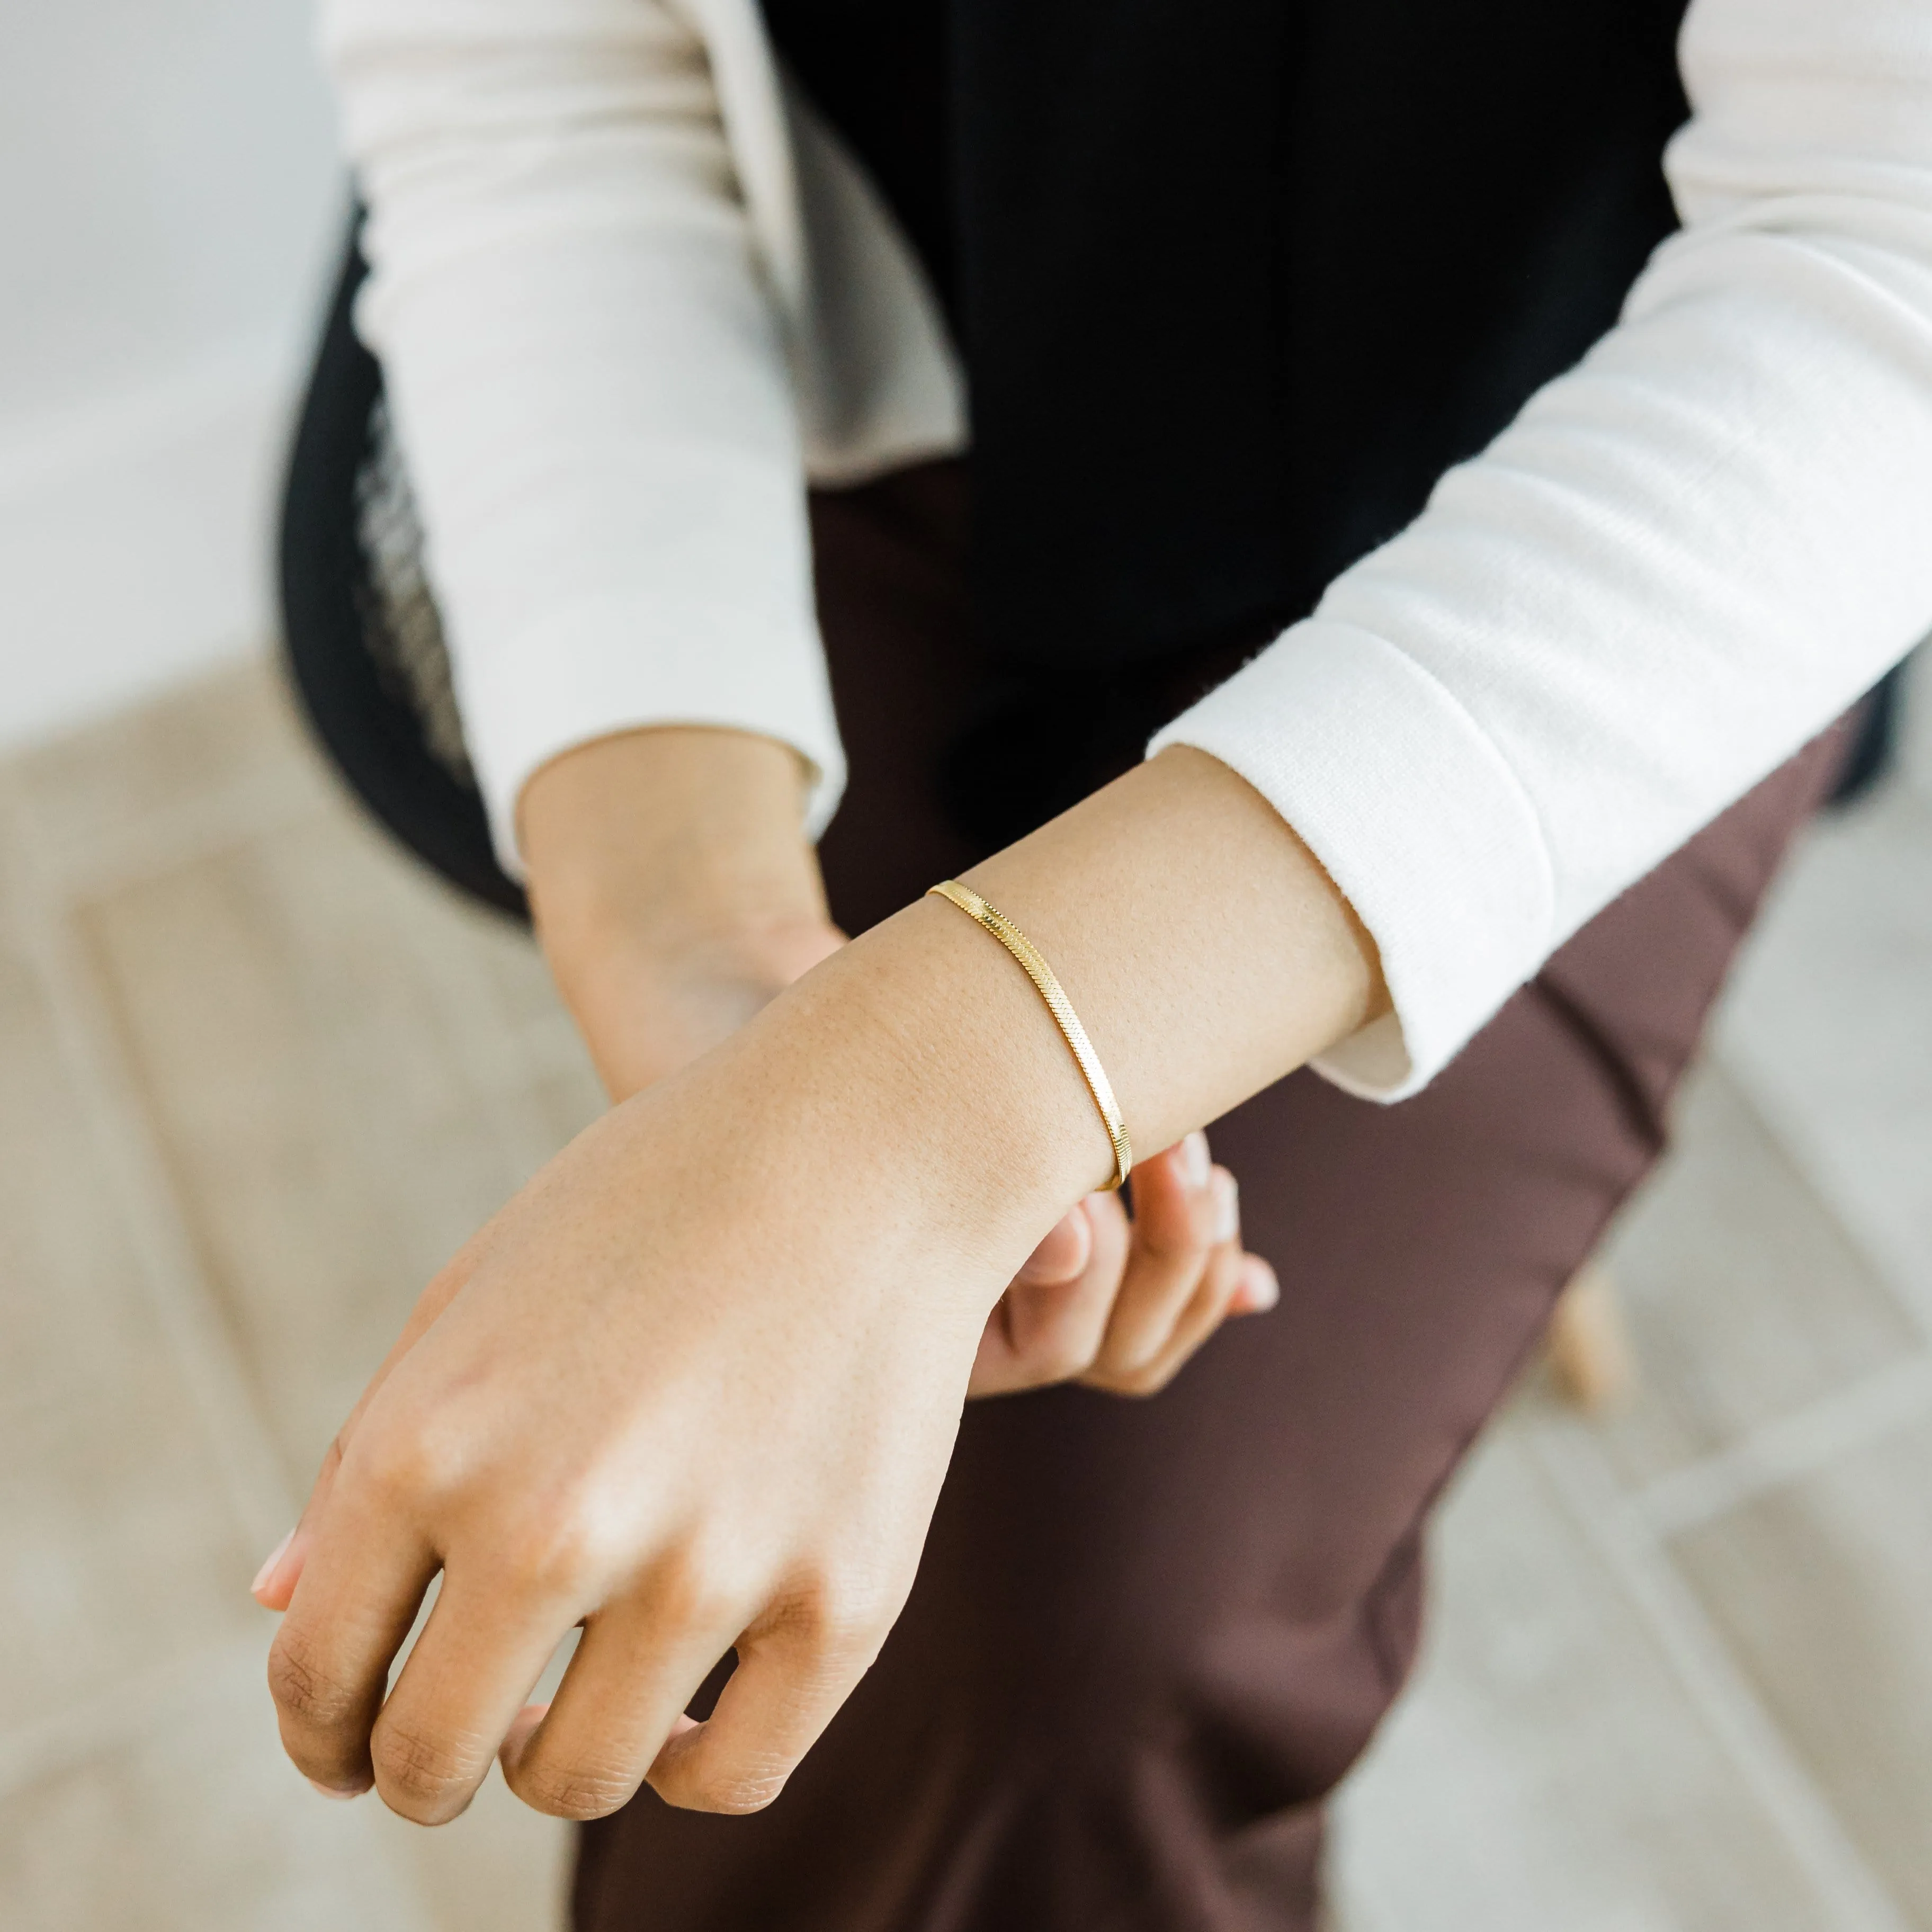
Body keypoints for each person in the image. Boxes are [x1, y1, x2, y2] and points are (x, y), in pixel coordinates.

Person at [255, 0, 1932, 1925]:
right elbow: (538, 64)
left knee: (1080, 1649)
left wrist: (908, 1112)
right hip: (857, 346)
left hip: (1613, 476)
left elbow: (1889, 237)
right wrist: (706, 961)